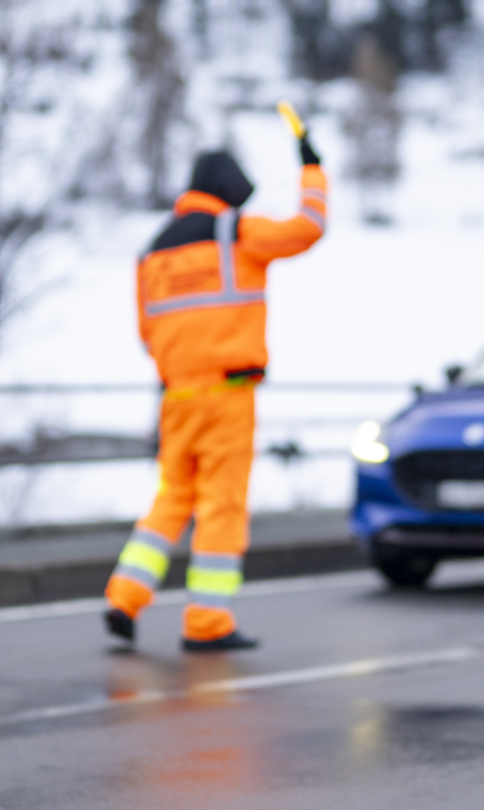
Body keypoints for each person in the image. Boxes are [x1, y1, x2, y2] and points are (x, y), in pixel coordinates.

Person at [103, 133, 328, 651]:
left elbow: (147, 333)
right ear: (230, 189)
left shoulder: (152, 252)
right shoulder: (236, 231)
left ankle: (125, 597)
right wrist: (311, 169)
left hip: (176, 398)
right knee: (221, 503)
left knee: (172, 497)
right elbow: (308, 227)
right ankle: (207, 622)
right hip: (228, 395)